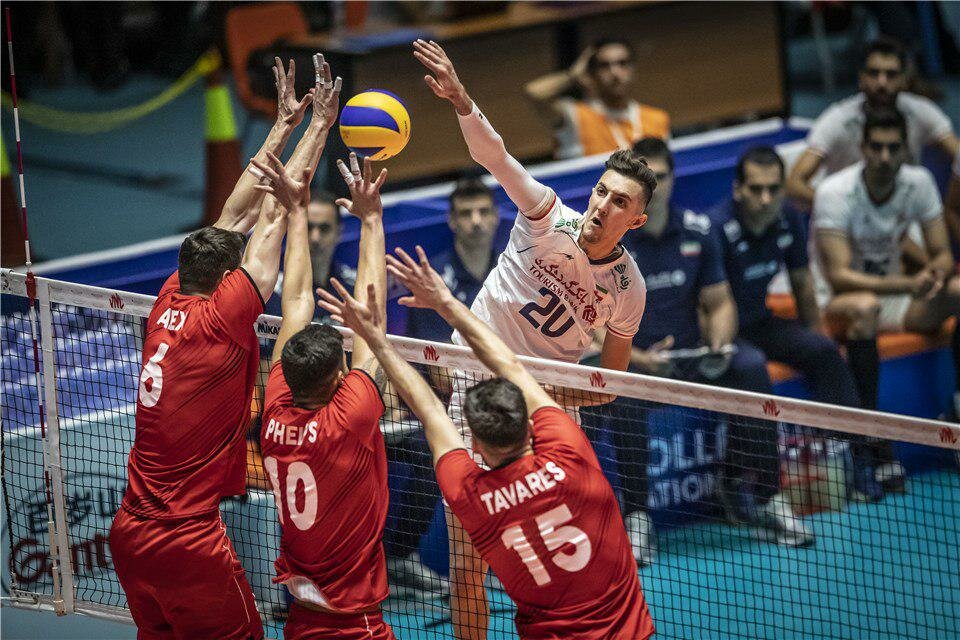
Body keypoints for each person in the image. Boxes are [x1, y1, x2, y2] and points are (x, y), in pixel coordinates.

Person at [414, 38, 653, 639]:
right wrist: (463, 101)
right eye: (601, 191)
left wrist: (542, 398)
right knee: (467, 570)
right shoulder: (546, 216)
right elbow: (495, 156)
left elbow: (609, 386)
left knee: (560, 557)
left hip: (545, 411)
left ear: (637, 219)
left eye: (620, 202)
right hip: (474, 393)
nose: (602, 205)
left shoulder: (628, 289)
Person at [317, 245, 656, 640]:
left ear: (474, 447)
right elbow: (509, 366)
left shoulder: (472, 496)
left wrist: (377, 341)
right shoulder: (569, 451)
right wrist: (445, 301)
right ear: (531, 429)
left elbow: (430, 410)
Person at [109, 56, 330, 640]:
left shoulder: (169, 297)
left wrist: (282, 125)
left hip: (129, 534)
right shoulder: (220, 320)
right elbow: (274, 213)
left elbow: (236, 215)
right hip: (186, 541)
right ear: (228, 281)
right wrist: (319, 128)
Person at [612, 138, 813, 567]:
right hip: (639, 364)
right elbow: (594, 322)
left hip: (691, 356)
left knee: (750, 366)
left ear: (672, 179)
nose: (653, 186)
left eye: (660, 177)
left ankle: (767, 497)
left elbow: (720, 302)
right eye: (644, 178)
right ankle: (638, 517)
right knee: (623, 398)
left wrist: (720, 343)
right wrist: (638, 358)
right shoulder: (612, 240)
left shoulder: (698, 231)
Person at [259, 144, 395, 639]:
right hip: (354, 623)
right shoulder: (348, 418)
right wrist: (371, 219)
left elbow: (295, 301)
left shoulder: (274, 411)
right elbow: (371, 319)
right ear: (340, 379)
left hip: (301, 618)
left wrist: (296, 212)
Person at [714, 146, 879, 496]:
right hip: (724, 332)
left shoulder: (788, 216)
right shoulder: (716, 228)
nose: (765, 199)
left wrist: (816, 338)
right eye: (756, 189)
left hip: (760, 323)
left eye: (773, 189)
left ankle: (858, 458)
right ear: (738, 189)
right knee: (751, 366)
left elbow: (803, 284)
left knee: (823, 351)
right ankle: (754, 487)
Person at [813, 108, 960, 495]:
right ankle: (871, 442)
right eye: (876, 147)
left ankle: (958, 404)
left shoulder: (919, 182)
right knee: (865, 308)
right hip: (840, 303)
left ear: (905, 150)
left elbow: (943, 254)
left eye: (893, 148)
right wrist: (910, 283)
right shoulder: (835, 192)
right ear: (862, 148)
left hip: (895, 298)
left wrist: (936, 273)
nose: (884, 156)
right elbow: (839, 276)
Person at [788, 37, 958, 207]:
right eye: (874, 73)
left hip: (902, 212)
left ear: (904, 79)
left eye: (891, 74)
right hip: (849, 211)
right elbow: (794, 183)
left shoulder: (921, 111)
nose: (882, 82)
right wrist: (837, 207)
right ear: (861, 77)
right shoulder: (838, 120)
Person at [524, 38, 670, 159]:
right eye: (605, 66)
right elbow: (534, 93)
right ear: (592, 73)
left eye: (622, 63)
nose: (615, 73)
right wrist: (573, 75)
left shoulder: (657, 119)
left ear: (632, 70)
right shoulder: (575, 116)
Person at [405, 177, 503, 346]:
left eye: (484, 211)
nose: (476, 221)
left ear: (496, 216)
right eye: (466, 213)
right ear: (452, 220)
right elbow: (437, 355)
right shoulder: (430, 279)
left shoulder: (509, 270)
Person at [263, 192, 354, 319]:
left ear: (339, 232)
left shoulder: (352, 285)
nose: (315, 238)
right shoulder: (270, 291)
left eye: (324, 228)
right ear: (292, 229)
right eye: (308, 227)